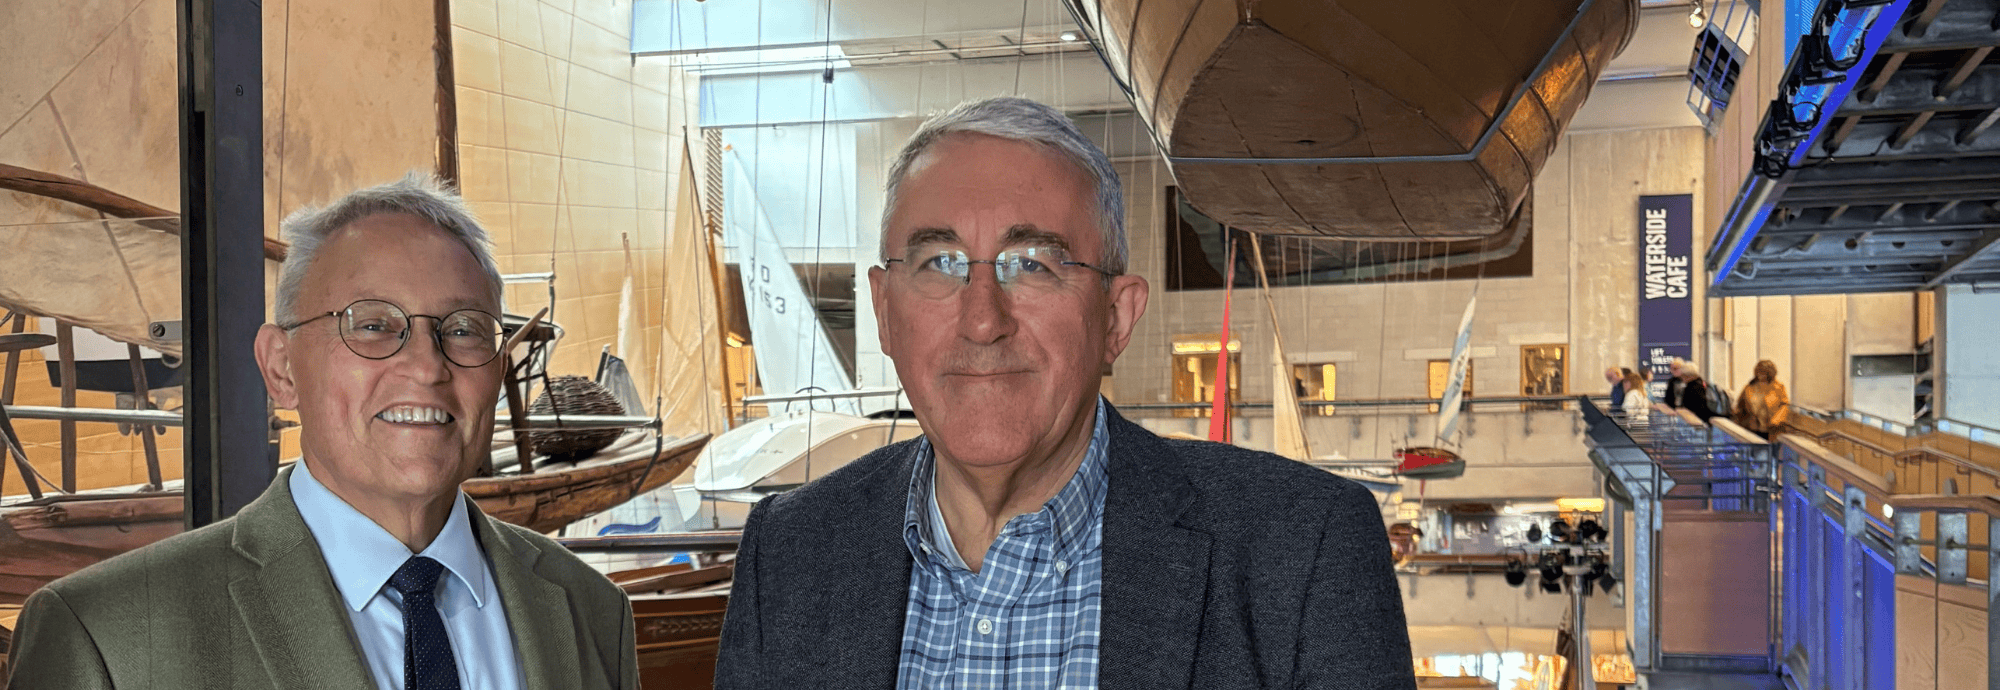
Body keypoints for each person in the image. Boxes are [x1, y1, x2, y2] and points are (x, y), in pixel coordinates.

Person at [714, 98, 1414, 689]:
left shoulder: (1304, 553)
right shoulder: (789, 551)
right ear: (885, 310)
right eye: (939, 263)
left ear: (1116, 318)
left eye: (1035, 265)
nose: (983, 319)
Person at [6, 175, 637, 689]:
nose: (425, 365)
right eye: (371, 325)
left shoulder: (591, 610)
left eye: (465, 328)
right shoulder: (104, 638)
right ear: (281, 369)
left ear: (497, 371)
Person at [1733, 359, 1792, 436]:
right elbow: (1740, 405)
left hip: (1772, 430)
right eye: (1758, 371)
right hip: (1752, 428)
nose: (1760, 374)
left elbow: (1784, 406)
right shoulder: (1749, 387)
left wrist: (1776, 420)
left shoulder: (1778, 387)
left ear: (1770, 373)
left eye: (1763, 372)